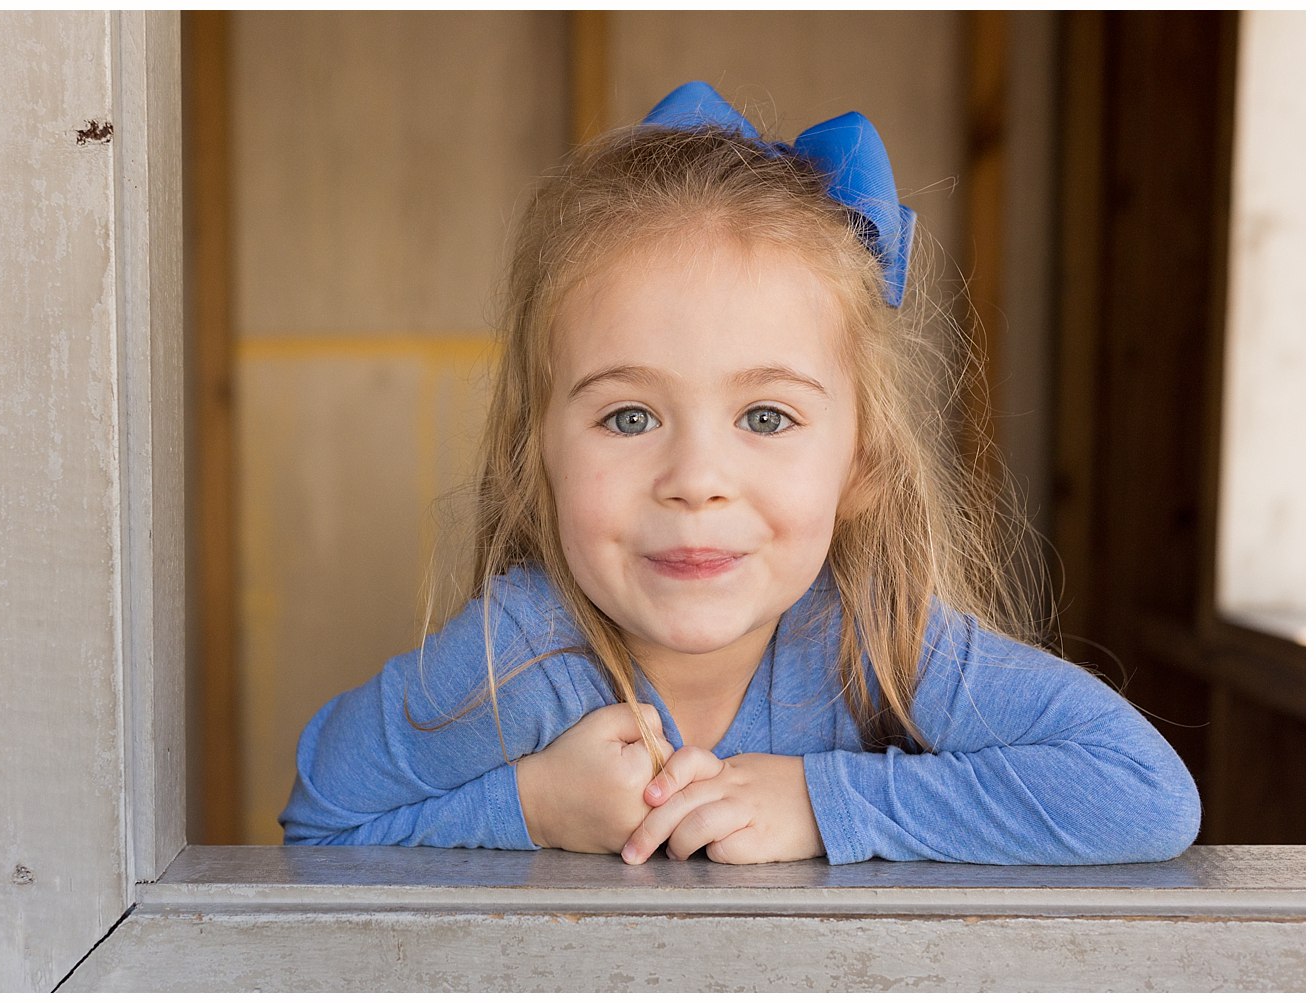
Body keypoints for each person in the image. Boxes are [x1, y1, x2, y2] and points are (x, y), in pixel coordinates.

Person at [279, 82, 1201, 865]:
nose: (696, 479)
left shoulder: (878, 648)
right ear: (538, 458)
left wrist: (824, 803)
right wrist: (532, 809)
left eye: (767, 416)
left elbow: (1144, 792)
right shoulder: (522, 656)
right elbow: (317, 825)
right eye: (629, 416)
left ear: (861, 465)